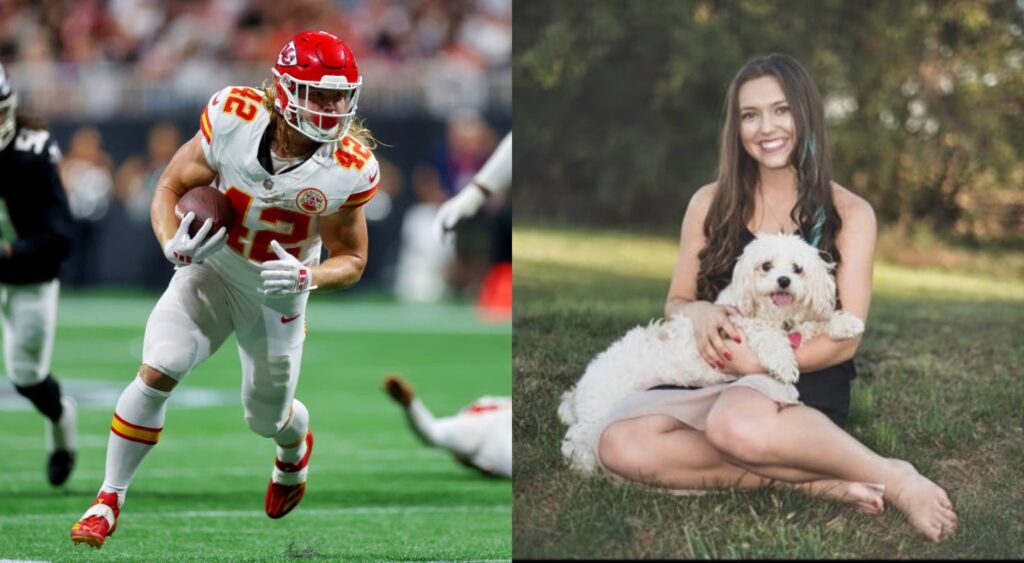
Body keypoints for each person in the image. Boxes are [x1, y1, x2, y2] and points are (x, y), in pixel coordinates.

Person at [594, 54, 959, 542]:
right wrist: (701, 312)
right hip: (711, 376)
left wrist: (761, 362)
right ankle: (820, 482)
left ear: (805, 115)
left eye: (781, 110)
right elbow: (677, 300)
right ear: (736, 127)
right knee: (618, 446)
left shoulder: (851, 213)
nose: (766, 127)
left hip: (798, 384)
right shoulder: (708, 202)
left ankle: (894, 478)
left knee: (735, 427)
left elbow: (844, 340)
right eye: (750, 114)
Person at [71, 30, 381, 549]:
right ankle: (108, 499)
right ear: (284, 92)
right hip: (213, 268)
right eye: (320, 94)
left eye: (340, 95)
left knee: (265, 418)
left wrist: (310, 276)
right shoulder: (233, 116)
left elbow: (353, 259)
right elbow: (169, 185)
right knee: (159, 367)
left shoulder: (347, 169)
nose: (333, 109)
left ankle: (293, 442)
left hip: (277, 292)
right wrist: (173, 243)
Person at [0, 63, 78, 487]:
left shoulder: (31, 154)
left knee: (27, 377)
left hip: (28, 275)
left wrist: (9, 252)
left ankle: (62, 422)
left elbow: (59, 237)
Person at [383, 375, 511, 479]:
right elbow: (433, 433)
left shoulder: (479, 427)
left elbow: (432, 433)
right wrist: (409, 405)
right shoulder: (477, 432)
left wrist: (410, 405)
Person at [432, 130, 511, 240]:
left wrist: (475, 195)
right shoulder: (445, 159)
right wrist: (474, 195)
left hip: (489, 215)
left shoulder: (485, 157)